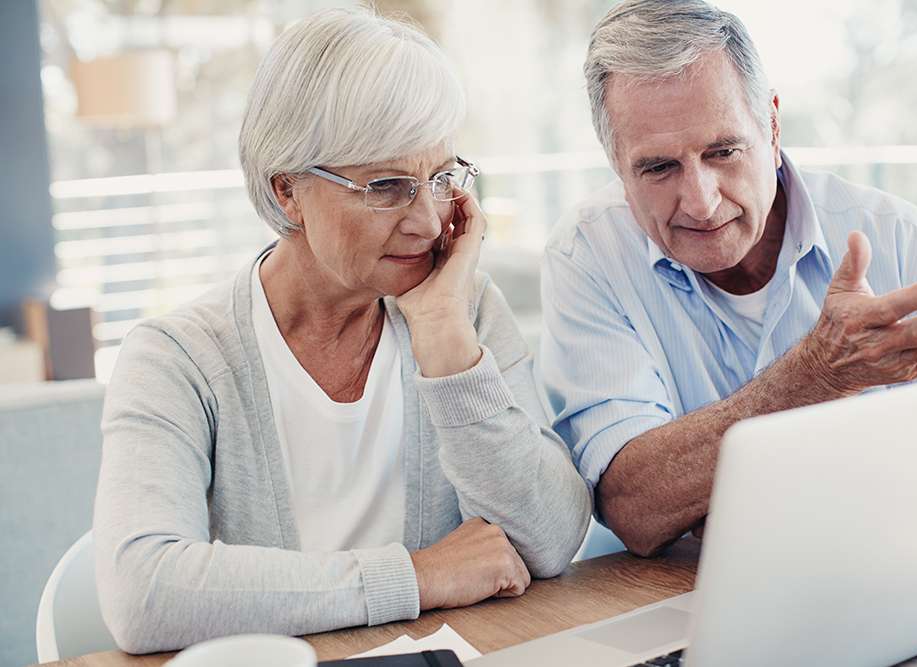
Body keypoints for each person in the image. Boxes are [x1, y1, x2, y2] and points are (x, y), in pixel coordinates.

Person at [93, 7, 590, 655]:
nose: (426, 221)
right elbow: (144, 593)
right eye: (386, 186)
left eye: (440, 180)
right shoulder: (178, 356)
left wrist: (444, 337)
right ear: (288, 191)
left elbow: (552, 538)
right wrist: (416, 574)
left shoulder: (465, 309)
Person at [540, 0, 917, 559]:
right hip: (681, 602)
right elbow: (634, 507)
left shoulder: (904, 240)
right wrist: (813, 377)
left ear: (773, 126)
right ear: (616, 162)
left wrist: (739, 500)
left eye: (724, 151)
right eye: (658, 167)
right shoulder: (587, 253)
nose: (702, 203)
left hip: (897, 581)